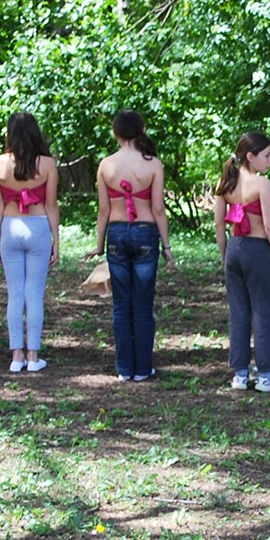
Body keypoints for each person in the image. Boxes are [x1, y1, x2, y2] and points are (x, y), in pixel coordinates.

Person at [91, 110, 170, 381]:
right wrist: (167, 247)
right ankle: (142, 368)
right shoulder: (153, 165)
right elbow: (158, 209)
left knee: (121, 304)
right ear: (141, 129)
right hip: (146, 233)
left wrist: (99, 244)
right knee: (143, 304)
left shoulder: (106, 165)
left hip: (116, 233)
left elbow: (103, 209)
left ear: (116, 133)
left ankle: (124, 368)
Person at [215, 130, 270, 392]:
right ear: (250, 156)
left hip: (235, 248)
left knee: (239, 312)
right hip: (257, 250)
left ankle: (240, 374)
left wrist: (225, 255)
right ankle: (267, 375)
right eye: (266, 156)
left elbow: (218, 224)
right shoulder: (261, 184)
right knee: (263, 311)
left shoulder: (226, 182)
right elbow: (269, 225)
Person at [0, 111, 60, 373]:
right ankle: (33, 356)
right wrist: (56, 240)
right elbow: (51, 205)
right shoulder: (47, 164)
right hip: (38, 226)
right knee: (35, 294)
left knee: (14, 294)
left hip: (10, 226)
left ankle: (16, 356)